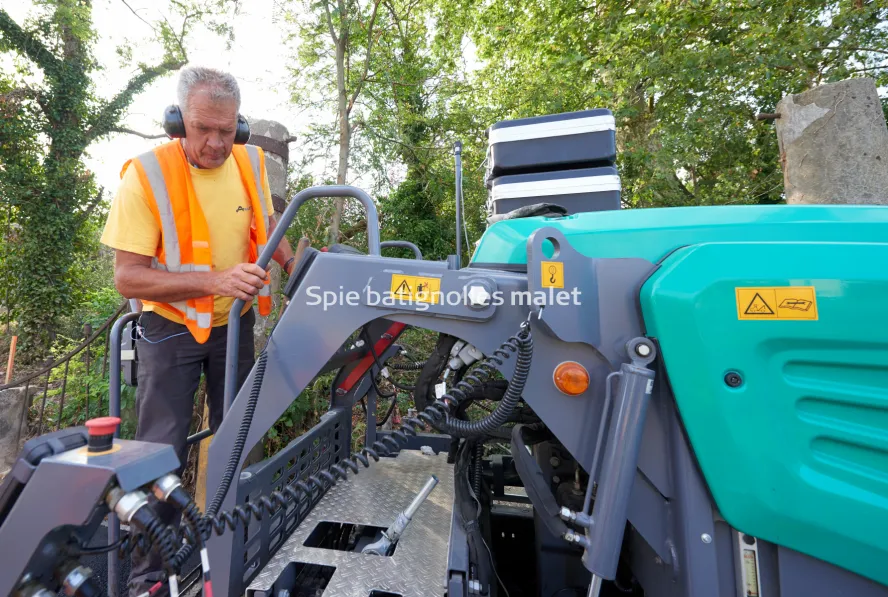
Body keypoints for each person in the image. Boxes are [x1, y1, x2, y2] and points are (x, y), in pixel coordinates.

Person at [100, 65, 303, 595]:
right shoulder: (145, 176)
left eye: (225, 130)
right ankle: (149, 576)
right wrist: (214, 279)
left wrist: (298, 260)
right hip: (169, 331)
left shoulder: (252, 161)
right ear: (176, 122)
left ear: (239, 126)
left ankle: (230, 547)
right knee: (158, 453)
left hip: (232, 325)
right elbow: (128, 274)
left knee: (239, 438)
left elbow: (265, 223)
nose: (214, 143)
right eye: (201, 129)